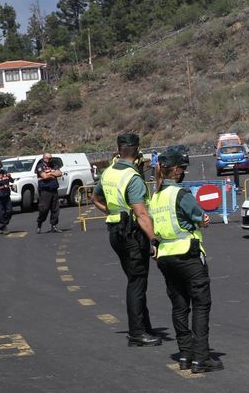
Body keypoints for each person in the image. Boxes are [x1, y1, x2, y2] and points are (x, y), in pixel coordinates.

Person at [150, 148, 223, 373]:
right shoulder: (180, 194)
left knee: (179, 306)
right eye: (182, 168)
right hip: (188, 256)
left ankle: (185, 355)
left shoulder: (156, 195)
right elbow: (199, 217)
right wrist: (204, 220)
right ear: (176, 170)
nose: (183, 172)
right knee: (201, 304)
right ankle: (201, 358)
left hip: (165, 257)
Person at [91, 133, 162, 347]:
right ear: (138, 150)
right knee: (137, 282)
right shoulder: (132, 178)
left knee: (134, 279)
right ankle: (137, 333)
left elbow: (95, 198)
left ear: (119, 149)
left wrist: (112, 212)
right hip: (131, 234)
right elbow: (141, 214)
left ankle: (144, 325)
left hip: (115, 231)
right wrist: (154, 240)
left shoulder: (108, 172)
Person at [35, 153, 63, 234]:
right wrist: (52, 174)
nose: (49, 160)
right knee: (44, 209)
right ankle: (39, 224)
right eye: (48, 158)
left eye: (50, 158)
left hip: (54, 189)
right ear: (44, 158)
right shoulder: (40, 166)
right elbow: (44, 176)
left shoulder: (54, 165)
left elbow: (60, 173)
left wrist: (50, 173)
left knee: (55, 209)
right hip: (45, 190)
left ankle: (54, 226)